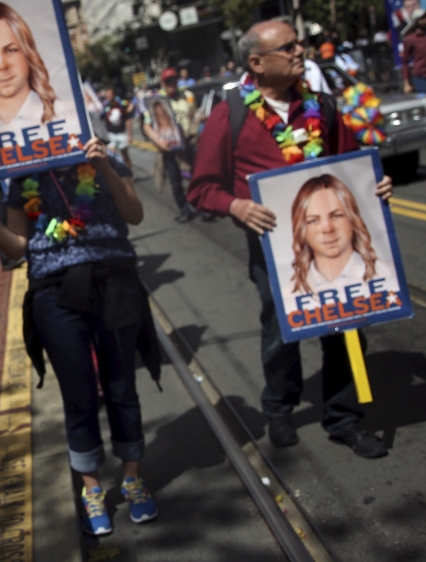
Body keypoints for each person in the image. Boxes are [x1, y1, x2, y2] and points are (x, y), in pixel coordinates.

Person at [187, 19, 393, 459]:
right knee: (281, 328)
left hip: (335, 240)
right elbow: (202, 188)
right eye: (289, 46)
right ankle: (279, 408)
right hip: (273, 247)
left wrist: (376, 187)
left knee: (344, 324)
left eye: (300, 44)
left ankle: (345, 418)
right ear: (257, 63)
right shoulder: (231, 114)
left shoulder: (322, 106)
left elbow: (352, 166)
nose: (301, 51)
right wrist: (236, 206)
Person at [0, 137, 159, 536]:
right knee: (79, 393)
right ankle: (92, 489)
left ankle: (133, 478)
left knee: (122, 386)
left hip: (113, 281)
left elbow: (134, 214)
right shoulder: (23, 177)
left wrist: (102, 167)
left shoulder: (107, 159)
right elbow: (17, 246)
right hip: (54, 293)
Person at [0, 2, 79, 143]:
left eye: (11, 50)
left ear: (28, 53)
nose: (1, 65)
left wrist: (101, 161)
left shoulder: (69, 114)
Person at [287, 174, 394, 302]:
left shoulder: (388, 273)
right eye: (313, 220)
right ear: (302, 229)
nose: (327, 229)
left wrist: (378, 183)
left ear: (352, 218)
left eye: (337, 216)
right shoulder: (290, 294)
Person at [143, 68, 197, 223]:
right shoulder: (156, 100)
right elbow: (147, 126)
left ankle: (201, 206)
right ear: (163, 83)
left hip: (187, 142)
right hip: (168, 146)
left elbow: (194, 116)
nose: (171, 84)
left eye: (173, 80)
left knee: (195, 176)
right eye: (168, 82)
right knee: (175, 181)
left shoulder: (188, 96)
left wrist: (195, 128)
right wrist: (159, 142)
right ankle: (184, 209)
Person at [100, 85, 134, 169]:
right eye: (107, 95)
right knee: (112, 157)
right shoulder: (105, 106)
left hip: (121, 134)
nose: (108, 96)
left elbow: (127, 120)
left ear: (114, 94)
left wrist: (129, 135)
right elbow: (101, 119)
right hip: (111, 135)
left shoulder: (121, 105)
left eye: (110, 94)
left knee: (125, 156)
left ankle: (129, 174)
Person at [402, 10, 426, 93]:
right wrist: (406, 83)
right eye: (423, 18)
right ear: (417, 21)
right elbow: (405, 62)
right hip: (421, 77)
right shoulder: (410, 39)